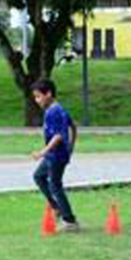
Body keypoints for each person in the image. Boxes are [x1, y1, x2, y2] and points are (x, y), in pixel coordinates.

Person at [30, 80, 79, 232]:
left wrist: (43, 152)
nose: (37, 100)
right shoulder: (56, 109)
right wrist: (71, 146)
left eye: (39, 97)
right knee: (39, 176)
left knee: (55, 185)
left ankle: (69, 220)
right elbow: (73, 126)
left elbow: (58, 136)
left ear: (48, 94)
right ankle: (57, 208)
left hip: (56, 155)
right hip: (54, 154)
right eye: (35, 97)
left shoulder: (54, 111)